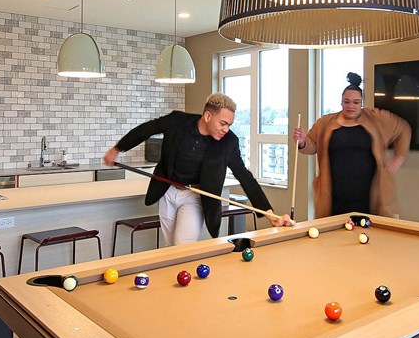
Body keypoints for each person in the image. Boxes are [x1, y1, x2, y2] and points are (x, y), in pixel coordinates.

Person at [103, 93, 294, 246]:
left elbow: (244, 175)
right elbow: (147, 129)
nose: (226, 129)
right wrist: (118, 148)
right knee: (171, 247)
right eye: (223, 123)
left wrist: (269, 213)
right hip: (167, 190)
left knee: (183, 246)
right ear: (208, 116)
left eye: (229, 125)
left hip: (194, 196)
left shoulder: (229, 142)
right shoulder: (177, 121)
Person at [292, 73, 410, 218]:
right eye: (346, 102)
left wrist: (398, 158)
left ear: (361, 103)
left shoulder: (375, 119)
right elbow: (311, 146)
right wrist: (303, 141)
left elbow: (403, 128)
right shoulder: (325, 123)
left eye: (355, 102)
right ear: (341, 102)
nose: (351, 106)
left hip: (368, 198)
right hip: (333, 199)